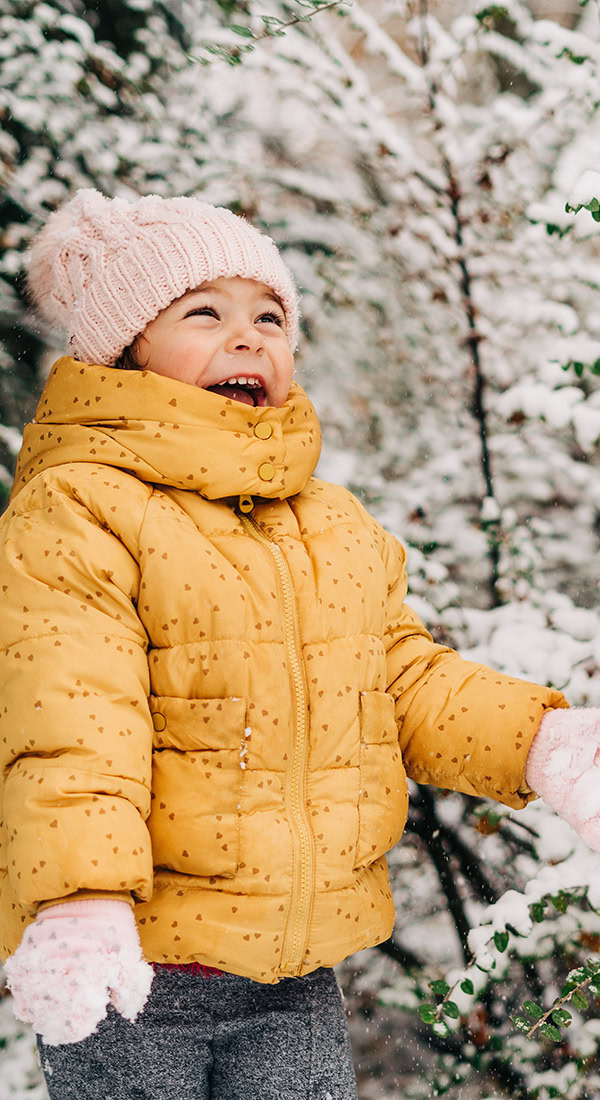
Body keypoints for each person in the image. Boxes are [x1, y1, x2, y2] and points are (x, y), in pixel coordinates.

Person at [0, 189, 598, 1100]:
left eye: (270, 316)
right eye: (205, 312)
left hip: (295, 977)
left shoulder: (330, 523)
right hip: (135, 971)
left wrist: (541, 741)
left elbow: (402, 678)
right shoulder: (82, 509)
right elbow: (68, 716)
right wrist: (81, 897)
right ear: (126, 351)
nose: (250, 338)